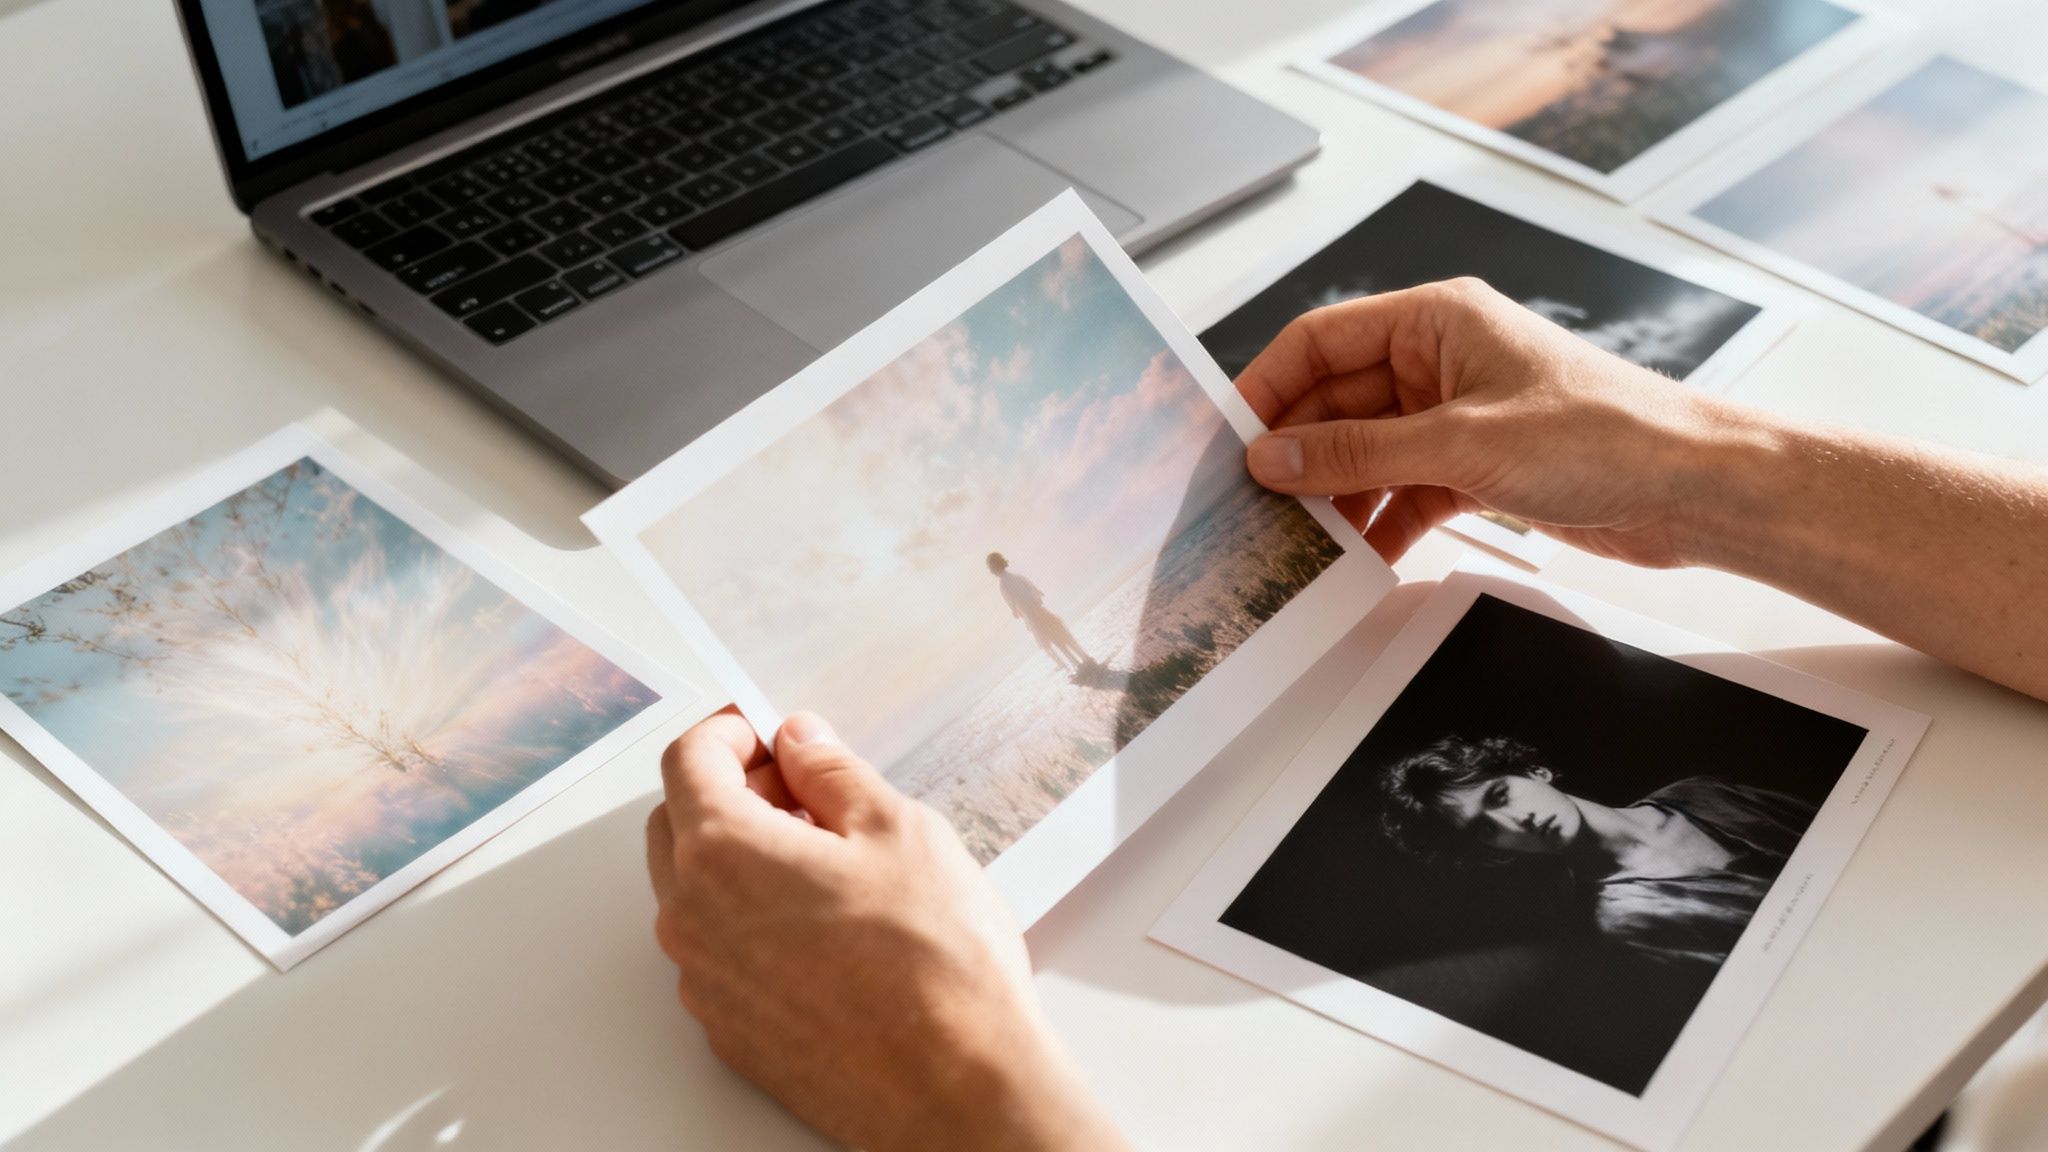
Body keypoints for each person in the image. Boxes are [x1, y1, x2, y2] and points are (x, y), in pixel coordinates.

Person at [642, 280, 2048, 1152]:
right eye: (1491, 819)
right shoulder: (1663, 842)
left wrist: (952, 1089)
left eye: (1494, 795)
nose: (1514, 811)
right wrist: (1691, 467)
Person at [1378, 735, 1815, 976]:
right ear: (1493, 854)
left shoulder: (1699, 792)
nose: (1516, 821)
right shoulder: (1625, 922)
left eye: (1500, 794)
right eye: (1486, 830)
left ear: (1535, 771)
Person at [987, 551, 1098, 674]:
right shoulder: (1017, 577)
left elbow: (1015, 609)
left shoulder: (1003, 585)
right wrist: (1033, 604)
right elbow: (1036, 593)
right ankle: (1085, 658)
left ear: (993, 570)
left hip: (1032, 617)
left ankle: (1076, 665)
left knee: (1055, 641)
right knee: (1062, 634)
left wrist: (1021, 613)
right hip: (1039, 611)